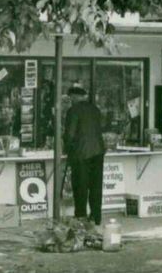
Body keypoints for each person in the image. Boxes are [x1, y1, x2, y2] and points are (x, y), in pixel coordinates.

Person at [64, 83, 106, 225]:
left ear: (75, 97)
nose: (70, 100)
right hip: (98, 152)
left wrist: (67, 148)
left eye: (71, 97)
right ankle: (96, 216)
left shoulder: (73, 111)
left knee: (80, 186)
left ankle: (81, 216)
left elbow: (70, 134)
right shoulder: (95, 109)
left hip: (81, 154)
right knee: (96, 186)